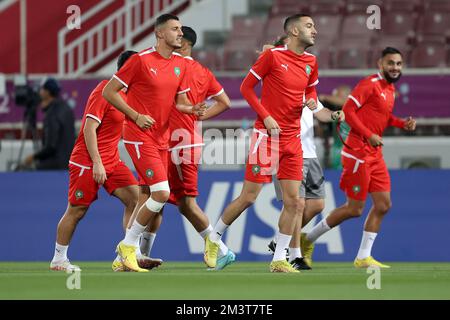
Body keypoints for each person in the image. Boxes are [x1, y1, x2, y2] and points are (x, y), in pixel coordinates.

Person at [204, 14, 319, 273]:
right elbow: (246, 88)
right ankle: (214, 238)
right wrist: (265, 116)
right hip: (267, 138)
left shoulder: (312, 61)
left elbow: (310, 89)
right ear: (293, 31)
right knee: (248, 197)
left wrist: (311, 99)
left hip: (293, 139)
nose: (315, 30)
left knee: (296, 203)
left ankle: (279, 259)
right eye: (309, 25)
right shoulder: (273, 57)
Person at [102, 14, 206, 272]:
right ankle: (128, 246)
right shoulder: (140, 60)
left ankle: (124, 257)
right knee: (161, 193)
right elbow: (109, 91)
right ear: (160, 34)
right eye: (175, 29)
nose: (180, 33)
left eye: (181, 29)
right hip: (138, 136)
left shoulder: (180, 64)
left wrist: (191, 107)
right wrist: (135, 116)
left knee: (148, 196)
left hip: (162, 139)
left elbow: (178, 102)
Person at [301, 47, 417, 268]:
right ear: (380, 63)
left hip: (374, 154)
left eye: (399, 64)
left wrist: (403, 123)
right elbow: (348, 111)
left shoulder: (390, 89)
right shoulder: (369, 84)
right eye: (391, 63)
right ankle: (308, 238)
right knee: (354, 209)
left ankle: (363, 256)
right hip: (357, 153)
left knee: (383, 205)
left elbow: (384, 117)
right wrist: (368, 134)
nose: (395, 67)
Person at [136, 26, 234, 270]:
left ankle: (219, 247)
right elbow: (225, 102)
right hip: (172, 140)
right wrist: (198, 118)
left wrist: (191, 120)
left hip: (179, 143)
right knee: (152, 197)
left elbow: (174, 102)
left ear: (185, 44)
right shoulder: (203, 71)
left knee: (184, 203)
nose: (175, 38)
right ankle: (139, 254)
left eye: (178, 36)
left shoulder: (182, 68)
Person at [50, 51, 141, 271]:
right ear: (125, 70)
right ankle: (59, 259)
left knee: (137, 199)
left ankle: (129, 253)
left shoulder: (129, 94)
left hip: (113, 160)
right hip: (88, 160)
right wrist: (97, 162)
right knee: (77, 210)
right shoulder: (104, 90)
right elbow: (89, 127)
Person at [262, 36, 346, 270]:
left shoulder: (307, 90)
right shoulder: (278, 87)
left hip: (310, 153)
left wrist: (337, 115)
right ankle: (294, 255)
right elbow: (267, 57)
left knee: (317, 205)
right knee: (296, 204)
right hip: (289, 149)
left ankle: (280, 240)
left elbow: (323, 113)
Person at [23, 78, 75, 170]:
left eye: (41, 89)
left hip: (56, 165)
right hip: (69, 162)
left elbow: (51, 146)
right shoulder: (66, 108)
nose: (39, 92)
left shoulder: (52, 113)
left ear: (47, 92)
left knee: (26, 170)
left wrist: (33, 157)